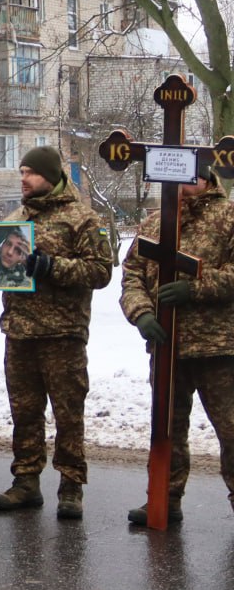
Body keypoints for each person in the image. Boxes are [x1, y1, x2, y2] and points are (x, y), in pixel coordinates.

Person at [0, 146, 113, 519]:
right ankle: (26, 481)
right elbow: (11, 274)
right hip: (20, 333)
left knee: (68, 414)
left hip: (63, 335)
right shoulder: (16, 218)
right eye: (21, 172)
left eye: (30, 172)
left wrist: (51, 266)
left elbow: (100, 272)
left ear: (51, 176)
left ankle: (71, 487)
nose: (22, 178)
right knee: (24, 413)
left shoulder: (82, 219)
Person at [119, 167, 234, 526]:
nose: (182, 185)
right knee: (167, 427)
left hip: (218, 347)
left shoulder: (228, 216)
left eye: (189, 176)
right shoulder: (155, 224)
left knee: (232, 430)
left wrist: (196, 288)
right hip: (168, 346)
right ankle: (165, 499)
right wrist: (140, 313)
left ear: (205, 178)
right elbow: (132, 274)